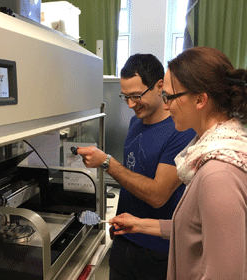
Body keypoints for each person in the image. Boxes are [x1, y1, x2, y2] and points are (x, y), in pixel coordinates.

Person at [110, 46, 247, 280]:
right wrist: (140, 224)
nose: (165, 105)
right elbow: (195, 229)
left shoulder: (218, 175)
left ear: (200, 100)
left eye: (170, 97)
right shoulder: (205, 152)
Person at [76, 54, 196, 280]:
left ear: (160, 86)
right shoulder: (135, 123)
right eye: (126, 97)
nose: (131, 104)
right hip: (124, 239)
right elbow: (134, 176)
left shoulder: (181, 131)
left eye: (137, 96)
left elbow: (158, 195)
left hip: (157, 250)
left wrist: (107, 162)